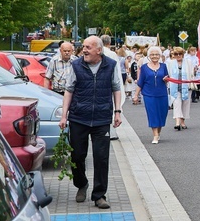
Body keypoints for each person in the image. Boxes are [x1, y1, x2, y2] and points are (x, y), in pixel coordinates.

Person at [58, 36, 122, 209]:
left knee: (101, 157)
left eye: (88, 47)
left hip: (102, 118)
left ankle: (99, 195)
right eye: (83, 47)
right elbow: (69, 90)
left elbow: (116, 88)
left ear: (98, 50)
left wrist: (117, 111)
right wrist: (64, 115)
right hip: (79, 117)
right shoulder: (76, 65)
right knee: (77, 156)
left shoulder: (111, 65)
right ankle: (82, 184)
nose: (84, 50)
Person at [134, 46, 170, 144]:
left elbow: (167, 78)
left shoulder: (164, 66)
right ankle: (155, 135)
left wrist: (166, 79)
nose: (155, 56)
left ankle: (158, 132)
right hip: (149, 94)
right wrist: (136, 95)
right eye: (152, 54)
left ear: (160, 56)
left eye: (157, 54)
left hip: (162, 94)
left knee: (162, 114)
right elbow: (140, 82)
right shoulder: (144, 67)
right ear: (149, 56)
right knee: (153, 114)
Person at [167, 47, 193, 130]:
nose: (178, 56)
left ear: (183, 54)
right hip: (175, 87)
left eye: (180, 54)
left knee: (185, 104)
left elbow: (191, 74)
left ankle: (182, 121)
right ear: (173, 55)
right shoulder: (170, 63)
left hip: (186, 86)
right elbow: (168, 74)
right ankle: (177, 122)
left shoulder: (188, 62)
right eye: (176, 54)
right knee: (177, 104)